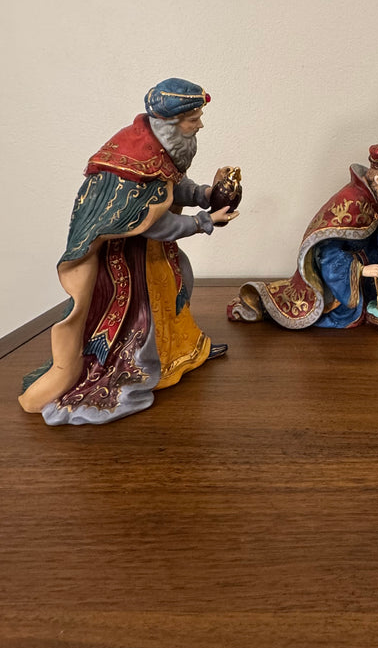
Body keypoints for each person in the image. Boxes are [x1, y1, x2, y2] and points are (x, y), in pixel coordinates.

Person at [20, 77, 239, 425]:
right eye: (193, 119)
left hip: (153, 251)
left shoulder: (158, 146)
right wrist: (203, 221)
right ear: (170, 122)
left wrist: (203, 194)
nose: (200, 125)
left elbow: (169, 184)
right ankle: (142, 369)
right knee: (142, 317)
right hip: (127, 260)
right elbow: (153, 223)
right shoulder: (133, 159)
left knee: (177, 287)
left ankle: (183, 353)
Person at [228, 138, 378, 329]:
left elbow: (367, 234)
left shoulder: (372, 197)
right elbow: (327, 255)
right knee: (345, 309)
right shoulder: (353, 202)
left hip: (359, 256)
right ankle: (364, 304)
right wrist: (361, 270)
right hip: (336, 270)